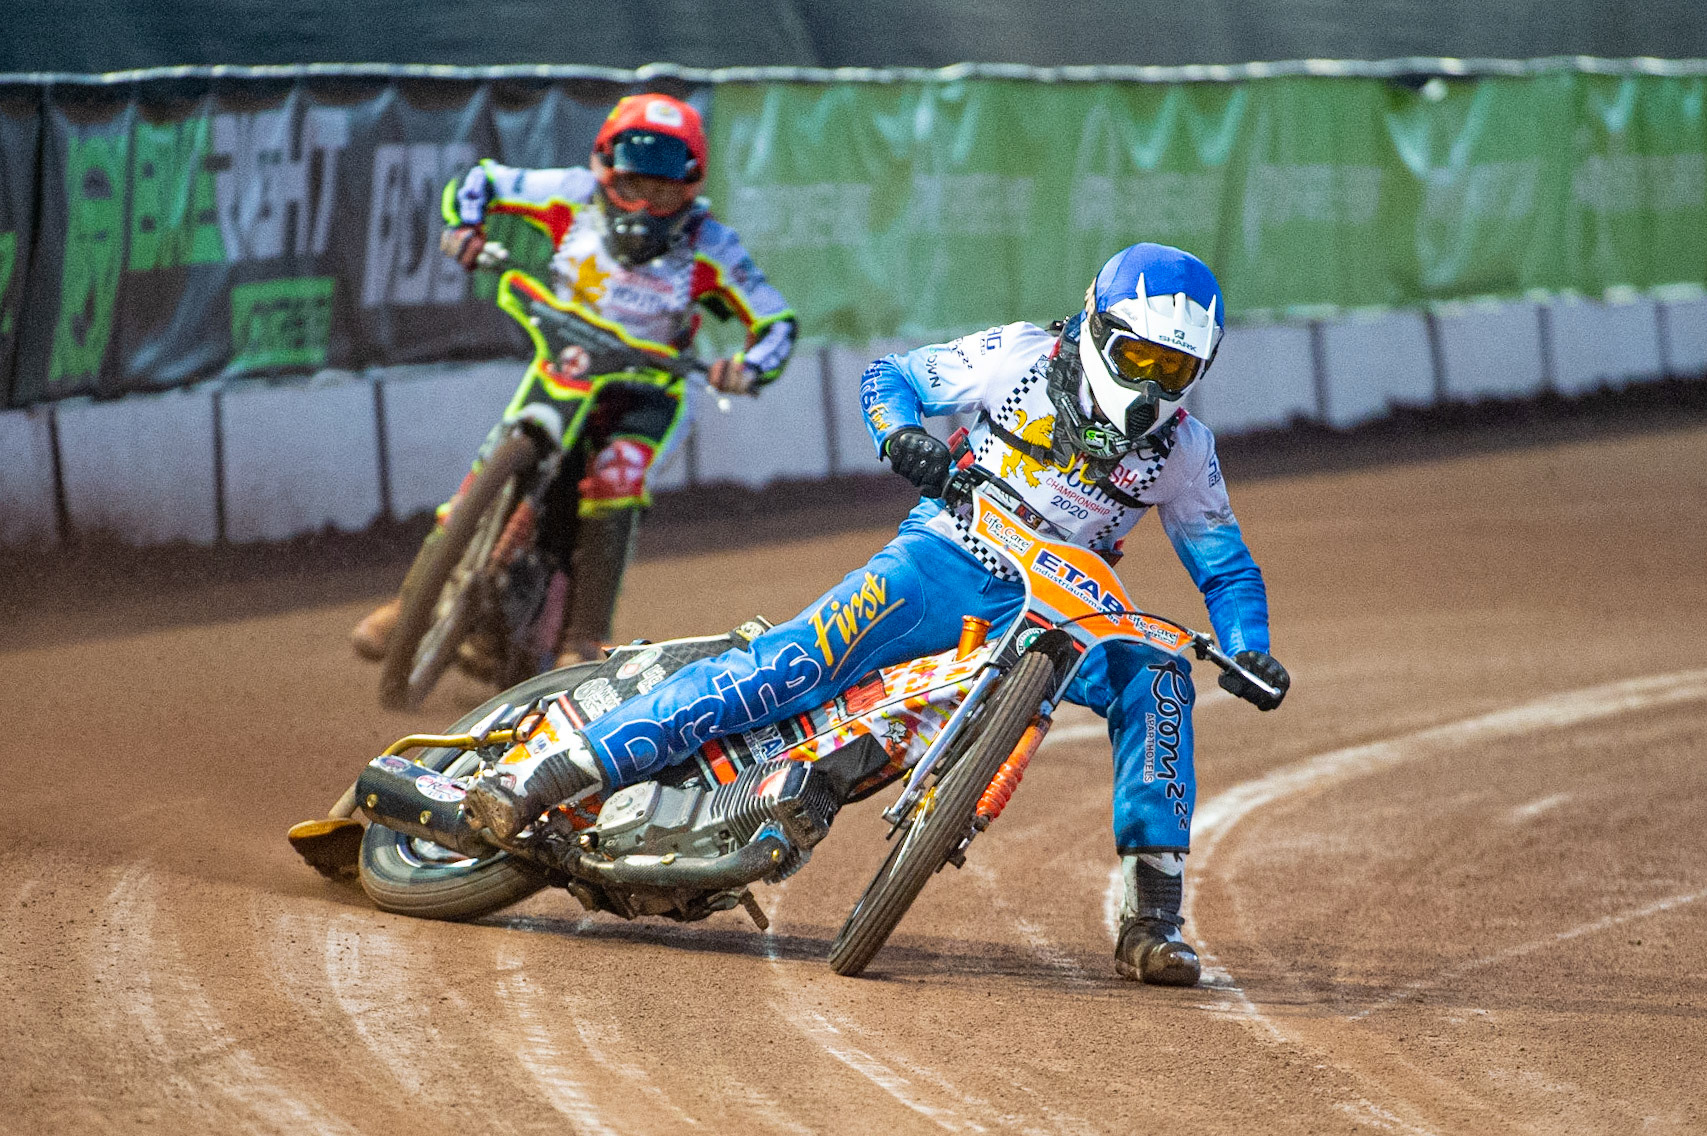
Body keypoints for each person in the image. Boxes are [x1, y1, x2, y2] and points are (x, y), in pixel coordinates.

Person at [464, 242, 1289, 986]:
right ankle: (546, 773)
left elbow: (1224, 566)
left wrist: (1251, 646)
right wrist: (902, 438)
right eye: (1136, 355)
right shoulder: (1018, 357)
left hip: (1067, 612)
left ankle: (1152, 920)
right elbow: (888, 378)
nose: (1149, 385)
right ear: (1095, 329)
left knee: (1161, 681)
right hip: (942, 560)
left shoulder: (1185, 452)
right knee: (785, 669)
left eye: (1173, 371)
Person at [352, 92, 796, 668]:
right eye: (632, 183)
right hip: (564, 369)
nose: (641, 203)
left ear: (689, 185)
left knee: (617, 476)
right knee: (490, 463)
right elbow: (480, 181)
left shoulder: (712, 244)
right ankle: (413, 602)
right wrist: (464, 229)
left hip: (646, 395)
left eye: (660, 190)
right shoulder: (568, 192)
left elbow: (775, 321)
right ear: (604, 166)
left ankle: (581, 641)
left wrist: (748, 367)